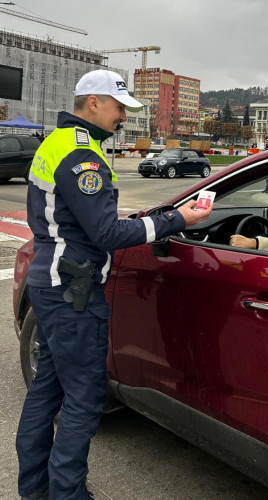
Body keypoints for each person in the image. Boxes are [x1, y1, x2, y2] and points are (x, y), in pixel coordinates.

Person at [16, 69, 212, 500]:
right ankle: (66, 494)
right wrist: (177, 220)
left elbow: (83, 221)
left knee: (47, 391)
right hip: (73, 292)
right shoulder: (83, 156)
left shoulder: (58, 142)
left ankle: (36, 488)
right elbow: (106, 235)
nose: (123, 115)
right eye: (119, 106)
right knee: (83, 400)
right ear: (93, 103)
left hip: (53, 284)